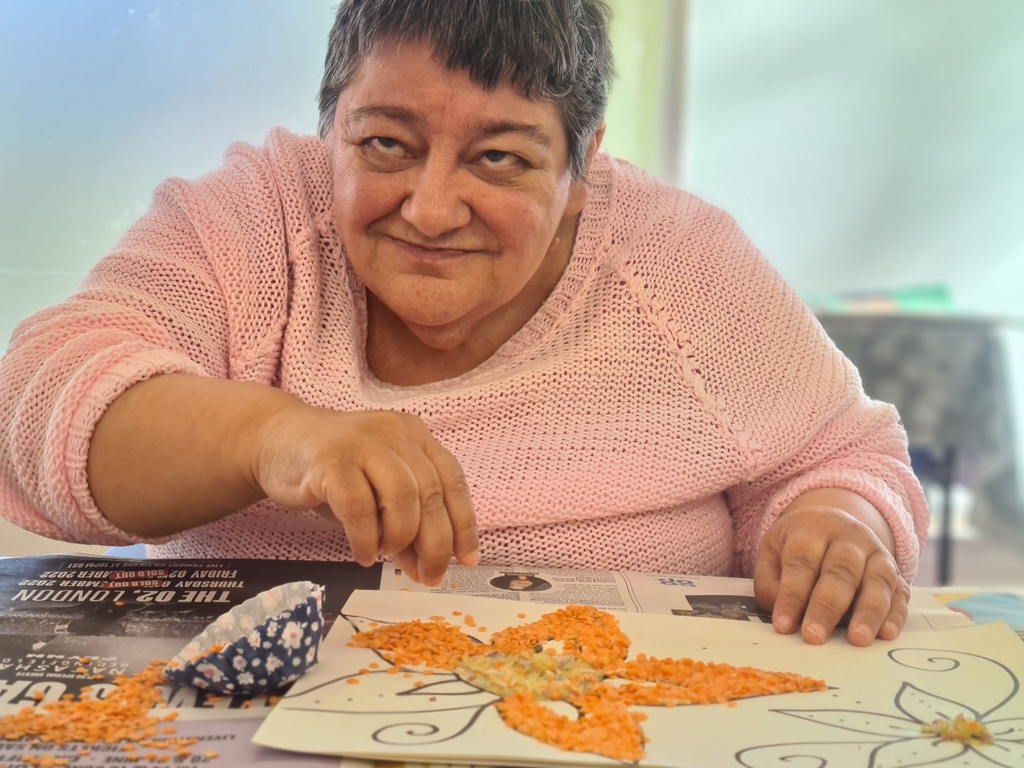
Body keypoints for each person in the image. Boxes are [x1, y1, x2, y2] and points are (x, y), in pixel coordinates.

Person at [0, 0, 928, 647]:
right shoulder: (251, 220)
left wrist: (835, 519)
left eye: (501, 159)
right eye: (385, 144)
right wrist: (274, 435)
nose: (433, 209)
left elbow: (840, 454)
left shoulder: (683, 262)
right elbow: (37, 401)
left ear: (583, 168)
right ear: (329, 131)